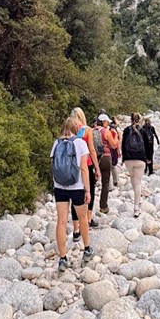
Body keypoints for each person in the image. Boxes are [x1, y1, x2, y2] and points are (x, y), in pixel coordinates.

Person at [51, 116, 94, 271]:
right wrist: (87, 190)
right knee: (82, 218)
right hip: (76, 187)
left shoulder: (56, 143)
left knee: (61, 221)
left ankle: (62, 258)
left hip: (60, 187)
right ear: (76, 127)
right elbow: (84, 169)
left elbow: (54, 165)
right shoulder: (80, 143)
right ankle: (87, 249)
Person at [70, 107, 100, 234]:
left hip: (73, 166)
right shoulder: (87, 130)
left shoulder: (69, 129)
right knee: (90, 192)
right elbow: (92, 150)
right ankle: (87, 221)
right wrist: (96, 167)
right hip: (86, 165)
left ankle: (76, 228)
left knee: (75, 195)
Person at [121, 112, 147, 217]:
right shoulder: (143, 130)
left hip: (128, 159)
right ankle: (136, 207)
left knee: (132, 178)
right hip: (140, 158)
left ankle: (136, 198)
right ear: (140, 119)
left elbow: (123, 144)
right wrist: (148, 158)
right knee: (138, 183)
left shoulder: (127, 130)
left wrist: (123, 157)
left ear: (131, 119)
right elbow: (148, 146)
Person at [96, 113, 114, 214]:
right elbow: (113, 145)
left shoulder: (92, 130)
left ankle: (87, 206)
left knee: (91, 183)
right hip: (105, 158)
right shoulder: (106, 131)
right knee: (105, 183)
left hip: (94, 158)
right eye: (107, 122)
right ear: (104, 122)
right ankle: (103, 206)